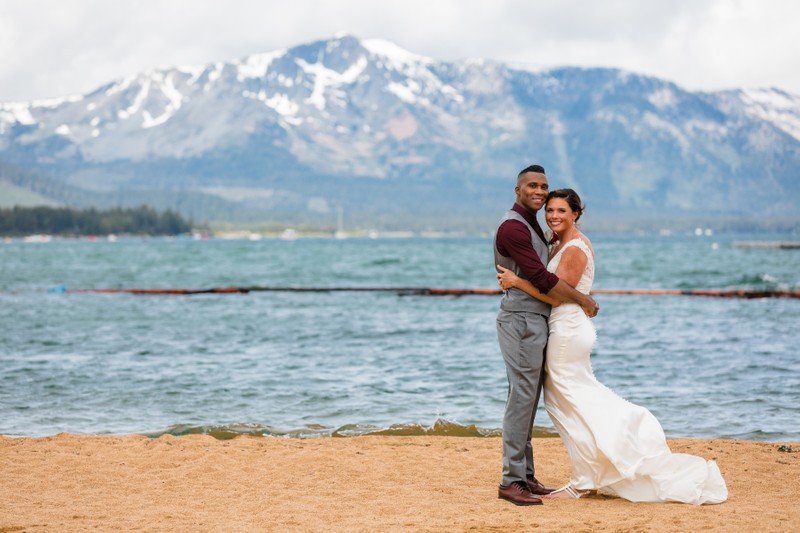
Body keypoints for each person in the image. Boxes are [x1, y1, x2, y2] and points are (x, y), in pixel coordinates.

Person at [497, 188, 728, 504]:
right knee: (568, 398)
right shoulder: (559, 243)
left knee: (569, 398)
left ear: (576, 214)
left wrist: (517, 282)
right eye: (549, 210)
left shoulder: (576, 247)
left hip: (568, 328)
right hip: (564, 326)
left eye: (561, 211)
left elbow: (555, 294)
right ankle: (589, 472)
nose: (553, 216)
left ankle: (592, 470)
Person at [494, 165, 599, 506]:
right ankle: (511, 481)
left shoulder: (533, 225)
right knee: (522, 399)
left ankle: (524, 476)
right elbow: (540, 277)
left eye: (544, 186)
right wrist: (583, 298)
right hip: (523, 320)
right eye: (532, 186)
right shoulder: (513, 227)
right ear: (517, 189)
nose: (539, 192)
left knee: (528, 399)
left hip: (536, 320)